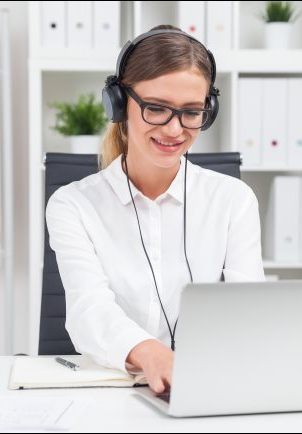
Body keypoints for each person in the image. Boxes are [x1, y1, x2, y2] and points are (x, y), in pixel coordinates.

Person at [46, 25, 265, 394]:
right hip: (107, 393)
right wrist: (150, 353)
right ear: (118, 104)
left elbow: (252, 313)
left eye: (192, 112)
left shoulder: (233, 200)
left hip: (203, 387)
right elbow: (89, 310)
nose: (175, 129)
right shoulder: (73, 204)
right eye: (156, 108)